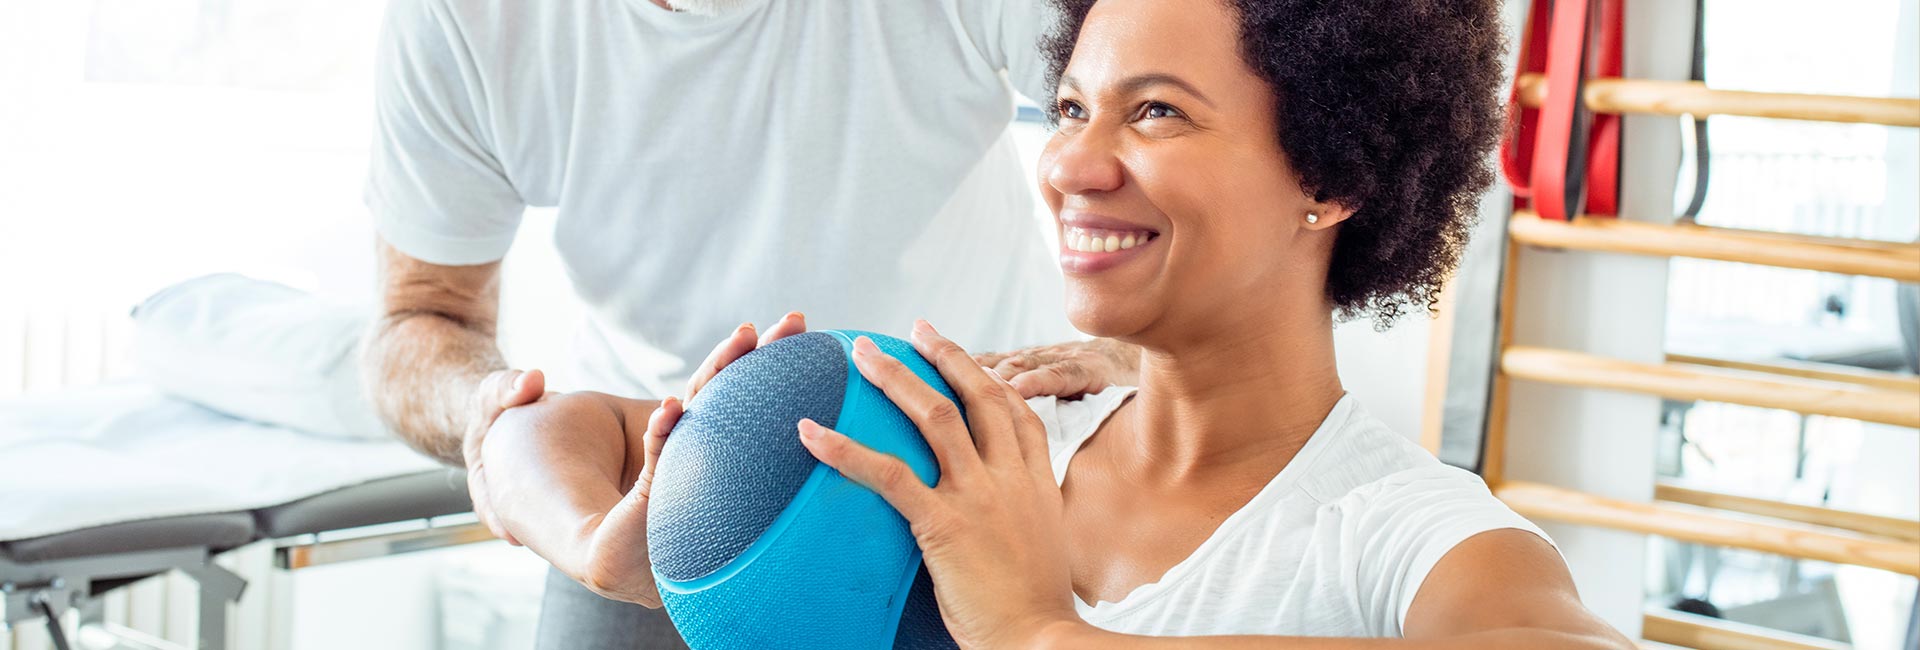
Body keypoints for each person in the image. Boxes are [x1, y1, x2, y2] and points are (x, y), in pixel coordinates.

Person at [640, 0, 1640, 646]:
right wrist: (683, 469)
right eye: (1071, 108)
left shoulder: (1407, 534)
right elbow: (583, 444)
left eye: (1155, 111)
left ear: (1333, 173)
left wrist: (1038, 634)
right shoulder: (987, 440)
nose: (1071, 166)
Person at [356, 0, 1136, 646]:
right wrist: (492, 427)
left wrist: (1147, 353)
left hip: (967, 486)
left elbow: (1167, 133)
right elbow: (421, 318)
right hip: (658, 503)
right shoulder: (464, 18)